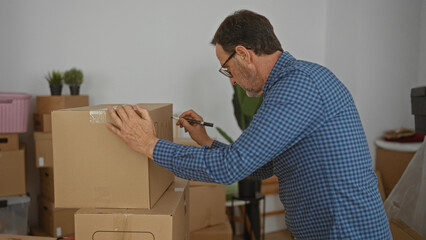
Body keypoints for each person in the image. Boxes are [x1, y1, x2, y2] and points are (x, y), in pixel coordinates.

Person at [106, 10, 392, 239]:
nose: (231, 80)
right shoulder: (293, 83)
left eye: (227, 69)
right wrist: (205, 139)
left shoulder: (296, 86)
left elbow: (230, 168)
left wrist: (148, 144)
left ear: (243, 54)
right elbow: (264, 166)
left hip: (344, 232)